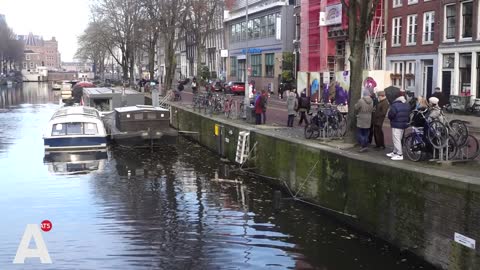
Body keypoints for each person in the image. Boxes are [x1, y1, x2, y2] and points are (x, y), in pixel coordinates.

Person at [387, 95, 410, 161]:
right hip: (404, 123)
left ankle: (399, 154)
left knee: (396, 139)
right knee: (398, 138)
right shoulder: (407, 105)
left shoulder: (395, 105)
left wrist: (391, 118)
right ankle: (395, 151)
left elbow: (391, 115)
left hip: (396, 123)